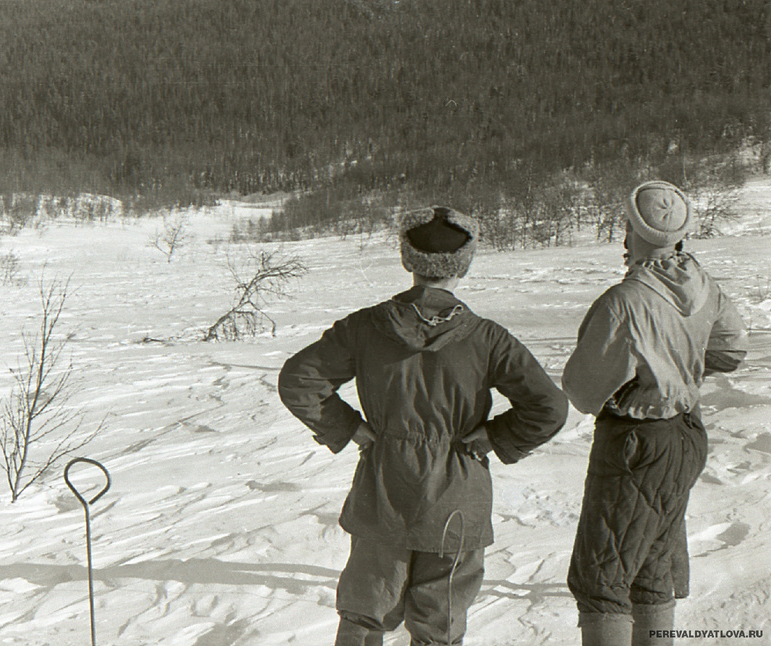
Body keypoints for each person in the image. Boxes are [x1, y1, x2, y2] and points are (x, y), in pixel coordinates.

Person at [278, 206, 568, 646]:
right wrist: (495, 436)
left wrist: (347, 428)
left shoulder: (364, 327)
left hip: (383, 492)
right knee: (439, 627)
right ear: (464, 265)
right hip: (458, 497)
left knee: (364, 613)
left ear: (407, 260)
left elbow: (300, 379)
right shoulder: (488, 338)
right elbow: (548, 406)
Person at [563, 180, 747, 646]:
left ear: (633, 233)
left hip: (635, 441)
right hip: (686, 434)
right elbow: (731, 350)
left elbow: (583, 391)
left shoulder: (623, 302)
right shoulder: (702, 283)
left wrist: (649, 373)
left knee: (603, 579)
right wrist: (680, 367)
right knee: (652, 563)